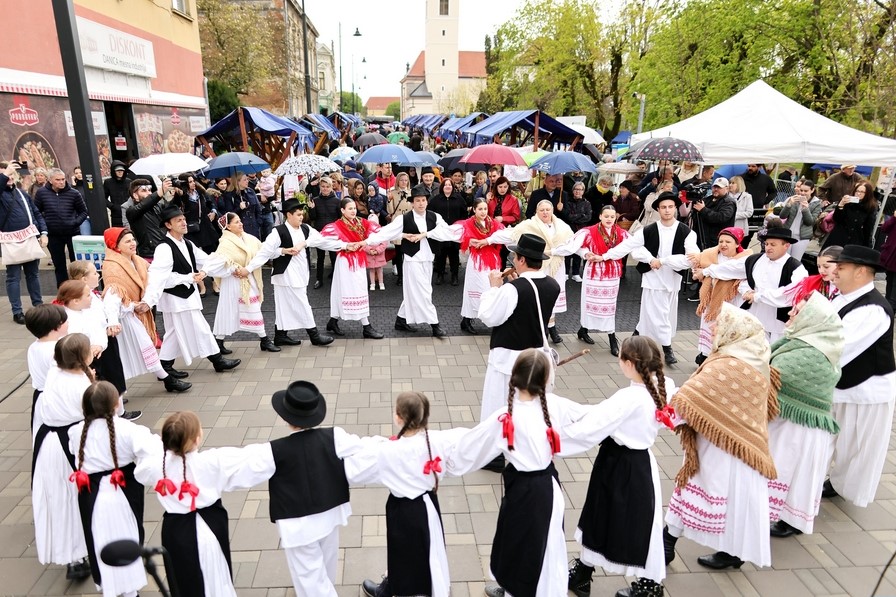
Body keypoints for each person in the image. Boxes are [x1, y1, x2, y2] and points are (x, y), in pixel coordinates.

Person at [446, 349, 591, 597]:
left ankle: (518, 591)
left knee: (522, 550)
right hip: (548, 490)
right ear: (546, 380)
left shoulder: (505, 417)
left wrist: (433, 457)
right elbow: (594, 418)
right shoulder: (554, 406)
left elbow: (469, 449)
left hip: (525, 493)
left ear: (513, 377)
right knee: (542, 550)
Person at [664, 305, 778, 570]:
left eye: (719, 324)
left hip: (718, 448)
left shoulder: (728, 365)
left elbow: (688, 402)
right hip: (742, 447)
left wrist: (666, 392)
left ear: (734, 331)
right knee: (736, 500)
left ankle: (667, 543)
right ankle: (731, 552)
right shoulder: (754, 357)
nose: (713, 328)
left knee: (692, 488)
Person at [565, 336, 677, 597]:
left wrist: (552, 436)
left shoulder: (630, 398)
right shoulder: (663, 385)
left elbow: (591, 427)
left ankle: (650, 587)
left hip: (619, 464)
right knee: (633, 522)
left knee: (610, 518)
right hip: (640, 463)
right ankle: (583, 572)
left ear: (628, 363)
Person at [133, 411, 273, 597]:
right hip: (211, 526)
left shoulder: (157, 465)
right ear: (197, 438)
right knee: (215, 572)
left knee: (183, 576)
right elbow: (249, 460)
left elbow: (140, 473)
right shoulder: (212, 461)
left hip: (176, 530)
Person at [257, 380, 367, 596]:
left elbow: (241, 467)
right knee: (327, 565)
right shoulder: (335, 437)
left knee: (309, 579)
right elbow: (365, 446)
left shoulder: (273, 450)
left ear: (286, 418)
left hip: (298, 524)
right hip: (331, 512)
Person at [356, 392, 468, 597]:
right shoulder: (437, 441)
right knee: (429, 548)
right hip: (427, 504)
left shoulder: (388, 451)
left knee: (402, 552)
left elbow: (359, 468)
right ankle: (428, 588)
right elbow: (465, 440)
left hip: (402, 510)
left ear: (399, 417)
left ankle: (392, 589)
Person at [475, 233, 560, 472]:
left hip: (508, 357)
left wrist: (494, 288)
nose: (512, 258)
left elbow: (489, 316)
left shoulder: (513, 289)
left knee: (498, 404)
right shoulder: (552, 284)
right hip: (534, 356)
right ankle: (522, 446)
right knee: (527, 404)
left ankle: (494, 455)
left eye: (514, 256)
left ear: (521, 259)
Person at [68, 381, 159, 597]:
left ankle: (108, 587)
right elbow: (154, 449)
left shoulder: (76, 432)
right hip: (123, 493)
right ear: (117, 404)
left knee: (98, 537)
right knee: (127, 535)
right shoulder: (128, 430)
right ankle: (130, 589)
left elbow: (75, 453)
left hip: (90, 494)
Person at [767, 292, 844, 538]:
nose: (790, 313)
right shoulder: (801, 340)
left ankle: (791, 520)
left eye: (797, 311)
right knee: (785, 468)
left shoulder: (813, 352)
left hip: (801, 427)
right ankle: (781, 514)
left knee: (791, 470)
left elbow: (777, 374)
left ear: (813, 319)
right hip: (789, 423)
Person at [823, 246, 896, 507]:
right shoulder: (842, 297)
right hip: (839, 385)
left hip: (866, 391)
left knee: (857, 450)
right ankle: (813, 489)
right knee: (825, 440)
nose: (834, 272)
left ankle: (845, 488)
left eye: (841, 267)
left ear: (861, 272)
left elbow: (837, 348)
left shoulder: (873, 309)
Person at [598, 191, 699, 365]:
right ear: (658, 210)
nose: (667, 211)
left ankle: (634, 340)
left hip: (672, 281)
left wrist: (663, 261)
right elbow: (626, 246)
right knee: (659, 315)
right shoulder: (648, 230)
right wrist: (605, 256)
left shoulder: (687, 232)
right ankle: (667, 349)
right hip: (653, 281)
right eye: (663, 207)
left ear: (675, 208)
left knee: (660, 315)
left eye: (670, 207)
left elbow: (691, 258)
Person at [142, 205, 242, 377]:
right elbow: (159, 277)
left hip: (186, 296)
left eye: (184, 219)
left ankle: (164, 368)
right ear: (168, 225)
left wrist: (229, 267)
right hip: (176, 298)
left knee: (173, 333)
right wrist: (149, 301)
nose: (184, 223)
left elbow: (208, 260)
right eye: (178, 220)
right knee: (201, 328)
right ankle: (217, 360)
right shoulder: (164, 248)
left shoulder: (187, 243)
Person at [32, 333, 93, 580]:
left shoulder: (55, 372)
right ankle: (79, 552)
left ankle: (73, 556)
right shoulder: (82, 387)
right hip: (72, 444)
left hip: (49, 443)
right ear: (83, 358)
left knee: (59, 498)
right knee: (74, 498)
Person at [101, 227, 191, 392]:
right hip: (122, 319)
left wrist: (187, 278)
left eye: (133, 239)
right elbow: (112, 297)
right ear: (116, 245)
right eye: (127, 241)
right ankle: (116, 395)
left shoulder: (137, 261)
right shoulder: (112, 267)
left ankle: (165, 379)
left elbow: (158, 278)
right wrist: (113, 322)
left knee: (140, 350)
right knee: (123, 356)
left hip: (133, 316)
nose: (133, 243)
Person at [245, 199, 341, 347]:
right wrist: (250, 268)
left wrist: (345, 246)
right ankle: (314, 335)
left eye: (302, 214)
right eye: (298, 214)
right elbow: (264, 252)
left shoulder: (305, 229)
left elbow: (322, 241)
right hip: (286, 275)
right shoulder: (278, 231)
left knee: (284, 306)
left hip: (301, 273)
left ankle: (280, 336)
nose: (301, 217)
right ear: (288, 215)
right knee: (303, 304)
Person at [365, 186, 453, 338]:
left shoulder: (435, 217)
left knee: (416, 291)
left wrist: (425, 234)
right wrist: (366, 241)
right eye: (417, 201)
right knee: (424, 292)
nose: (420, 203)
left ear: (427, 202)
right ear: (412, 203)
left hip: (428, 259)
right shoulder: (404, 218)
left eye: (423, 200)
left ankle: (401, 319)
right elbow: (387, 232)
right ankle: (435, 324)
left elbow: (447, 232)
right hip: (412, 260)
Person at [484, 200, 574, 344]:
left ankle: (552, 328)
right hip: (538, 264)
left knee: (550, 296)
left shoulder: (563, 227)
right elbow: (510, 235)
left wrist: (553, 251)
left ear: (552, 211)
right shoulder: (528, 225)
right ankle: (542, 328)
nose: (545, 212)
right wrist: (488, 240)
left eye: (548, 210)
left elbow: (572, 245)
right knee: (535, 296)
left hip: (556, 265)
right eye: (542, 210)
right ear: (536, 212)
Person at [702, 225, 808, 343]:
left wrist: (758, 296)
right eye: (767, 244)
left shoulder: (796, 267)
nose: (768, 247)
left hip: (777, 324)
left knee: (771, 356)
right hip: (753, 317)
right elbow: (734, 271)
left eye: (773, 245)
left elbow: (792, 293)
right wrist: (706, 271)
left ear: (786, 246)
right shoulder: (756, 260)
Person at [553, 204, 628, 354]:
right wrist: (585, 253)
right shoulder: (588, 232)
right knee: (589, 302)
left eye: (612, 217)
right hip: (594, 271)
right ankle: (584, 330)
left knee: (609, 305)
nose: (609, 219)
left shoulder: (621, 233)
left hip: (611, 273)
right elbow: (573, 246)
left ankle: (612, 337)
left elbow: (630, 247)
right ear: (600, 216)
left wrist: (652, 259)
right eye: (606, 216)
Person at [431, 197, 505, 335]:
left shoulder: (493, 223)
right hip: (477, 261)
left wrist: (488, 241)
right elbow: (450, 232)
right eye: (480, 209)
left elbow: (505, 235)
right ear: (474, 210)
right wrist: (428, 233)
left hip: (492, 261)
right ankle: (467, 319)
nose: (483, 212)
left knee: (492, 289)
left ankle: (492, 319)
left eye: (485, 209)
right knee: (477, 288)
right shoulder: (468, 224)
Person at [210, 212, 279, 353]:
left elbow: (263, 251)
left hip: (248, 279)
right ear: (228, 226)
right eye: (236, 222)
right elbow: (220, 261)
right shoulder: (225, 243)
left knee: (252, 308)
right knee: (228, 311)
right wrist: (235, 268)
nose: (241, 223)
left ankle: (263, 339)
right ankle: (219, 341)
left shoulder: (250, 239)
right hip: (233, 281)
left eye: (240, 221)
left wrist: (282, 251)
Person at [320, 198, 386, 339]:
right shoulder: (337, 226)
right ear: (342, 210)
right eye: (350, 208)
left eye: (354, 208)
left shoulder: (362, 223)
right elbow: (322, 240)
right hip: (345, 262)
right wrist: (343, 245)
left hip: (359, 261)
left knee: (357, 290)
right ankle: (366, 326)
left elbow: (379, 232)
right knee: (347, 290)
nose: (353, 211)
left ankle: (333, 321)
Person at [690, 227, 752, 364]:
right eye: (721, 241)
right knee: (709, 326)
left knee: (726, 329)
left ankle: (722, 357)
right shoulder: (710, 254)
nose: (723, 244)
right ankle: (705, 355)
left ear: (737, 244)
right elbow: (697, 266)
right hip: (712, 300)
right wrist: (697, 271)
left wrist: (706, 271)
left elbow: (729, 271)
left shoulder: (744, 259)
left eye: (728, 242)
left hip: (730, 301)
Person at [0, 161, 47, 323]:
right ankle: (17, 311)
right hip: (10, 242)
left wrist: (44, 232)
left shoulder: (21, 193)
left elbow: (36, 213)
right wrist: (5, 174)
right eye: (5, 174)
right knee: (13, 277)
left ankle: (38, 305)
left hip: (29, 239)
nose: (9, 177)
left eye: (11, 174)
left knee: (33, 275)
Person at [33, 167, 88, 286]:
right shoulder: (42, 193)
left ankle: (79, 288)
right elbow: (36, 212)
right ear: (50, 180)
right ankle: (63, 291)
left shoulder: (74, 193)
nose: (61, 182)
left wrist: (75, 222)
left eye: (63, 179)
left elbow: (83, 211)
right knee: (59, 265)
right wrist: (43, 228)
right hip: (53, 234)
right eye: (58, 180)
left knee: (77, 265)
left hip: (72, 233)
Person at [25, 304, 68, 426]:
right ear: (56, 327)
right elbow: (63, 376)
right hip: (56, 399)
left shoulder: (34, 346)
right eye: (65, 321)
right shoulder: (57, 350)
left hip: (40, 398)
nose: (68, 323)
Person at [429, 177, 467, 286]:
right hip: (441, 232)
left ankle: (454, 275)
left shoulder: (459, 199)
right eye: (445, 185)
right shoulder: (436, 200)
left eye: (450, 185)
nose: (448, 187)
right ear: (442, 187)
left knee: (454, 254)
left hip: (455, 232)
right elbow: (431, 214)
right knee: (440, 254)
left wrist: (461, 226)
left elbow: (464, 214)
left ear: (453, 187)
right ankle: (440, 275)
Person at [125, 178, 171, 261]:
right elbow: (144, 206)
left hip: (166, 251)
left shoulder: (158, 207)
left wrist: (175, 196)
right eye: (144, 190)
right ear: (135, 195)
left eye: (150, 190)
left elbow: (173, 213)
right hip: (149, 256)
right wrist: (160, 192)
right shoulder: (131, 211)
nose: (149, 193)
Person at [823, 181, 877, 249]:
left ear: (868, 194)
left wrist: (867, 247)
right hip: (838, 238)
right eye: (857, 191)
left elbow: (868, 229)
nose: (858, 193)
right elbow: (837, 219)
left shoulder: (870, 208)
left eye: (862, 192)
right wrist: (841, 205)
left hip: (854, 242)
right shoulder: (847, 202)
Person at [779, 179, 823, 261]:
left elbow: (810, 222)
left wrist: (805, 209)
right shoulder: (793, 199)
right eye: (801, 190)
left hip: (802, 237)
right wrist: (789, 204)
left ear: (812, 190)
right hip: (787, 235)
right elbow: (782, 216)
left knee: (795, 261)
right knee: (783, 259)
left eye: (806, 191)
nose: (802, 193)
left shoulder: (817, 203)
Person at [310, 176, 341, 289]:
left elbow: (340, 218)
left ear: (331, 187)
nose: (325, 189)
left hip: (333, 233)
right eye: (323, 186)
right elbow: (313, 218)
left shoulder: (337, 201)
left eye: (327, 187)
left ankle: (335, 277)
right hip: (320, 232)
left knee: (334, 256)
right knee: (320, 257)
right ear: (320, 187)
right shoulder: (315, 200)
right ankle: (319, 279)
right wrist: (312, 208)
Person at [688, 177, 736, 250]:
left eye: (719, 187)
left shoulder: (728, 202)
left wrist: (703, 210)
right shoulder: (707, 199)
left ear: (727, 189)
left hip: (718, 240)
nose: (716, 189)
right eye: (715, 187)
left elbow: (721, 217)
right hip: (702, 237)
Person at [385, 172, 414, 286]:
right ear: (397, 181)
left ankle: (408, 275)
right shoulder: (392, 193)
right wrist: (389, 200)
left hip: (409, 222)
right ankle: (400, 276)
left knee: (408, 252)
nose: (403, 182)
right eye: (401, 180)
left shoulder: (412, 193)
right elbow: (390, 211)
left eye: (406, 180)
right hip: (398, 222)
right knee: (398, 252)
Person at [562, 181, 593, 282]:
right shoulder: (568, 202)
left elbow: (588, 217)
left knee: (578, 251)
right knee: (568, 251)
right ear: (573, 190)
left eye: (580, 189)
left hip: (581, 230)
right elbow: (567, 216)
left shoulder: (587, 203)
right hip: (569, 229)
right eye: (576, 189)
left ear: (583, 191)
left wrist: (575, 217)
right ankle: (566, 272)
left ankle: (576, 273)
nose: (577, 191)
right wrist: (580, 215)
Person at [104, 161, 131, 228]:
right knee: (118, 233)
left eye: (122, 171)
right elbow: (103, 197)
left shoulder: (129, 181)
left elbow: (132, 195)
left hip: (129, 211)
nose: (120, 172)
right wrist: (112, 206)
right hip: (116, 212)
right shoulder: (108, 182)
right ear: (114, 171)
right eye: (118, 171)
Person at [728, 175, 753, 246]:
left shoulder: (747, 196)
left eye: (733, 183)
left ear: (739, 184)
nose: (730, 185)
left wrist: (734, 215)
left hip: (740, 227)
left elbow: (749, 212)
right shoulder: (726, 195)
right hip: (727, 227)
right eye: (730, 183)